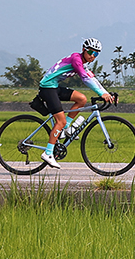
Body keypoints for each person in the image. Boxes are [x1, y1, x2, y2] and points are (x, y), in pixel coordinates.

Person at [36, 37, 117, 169]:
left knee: (82, 99)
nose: (92, 56)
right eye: (90, 52)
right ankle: (48, 153)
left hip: (54, 86)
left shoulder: (84, 63)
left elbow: (93, 79)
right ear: (83, 49)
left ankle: (65, 129)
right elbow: (85, 78)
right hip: (47, 88)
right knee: (60, 121)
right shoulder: (76, 59)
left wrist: (106, 93)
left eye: (96, 54)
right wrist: (101, 94)